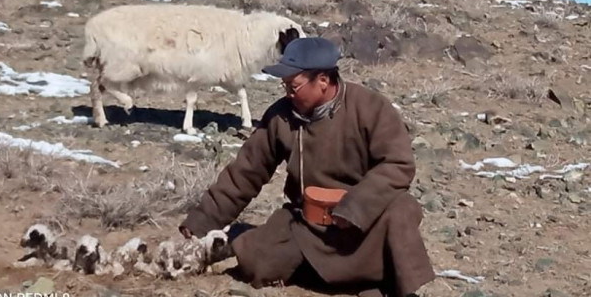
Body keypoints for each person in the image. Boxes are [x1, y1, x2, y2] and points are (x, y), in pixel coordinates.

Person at [179, 37, 436, 297]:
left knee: (402, 208)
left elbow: (398, 164)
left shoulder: (371, 107)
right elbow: (246, 172)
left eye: (294, 87)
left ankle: (397, 287)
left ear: (323, 81)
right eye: (285, 86)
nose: (287, 94)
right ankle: (362, 275)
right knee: (257, 263)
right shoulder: (281, 116)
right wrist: (202, 221)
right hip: (307, 226)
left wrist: (355, 207)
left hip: (364, 222)